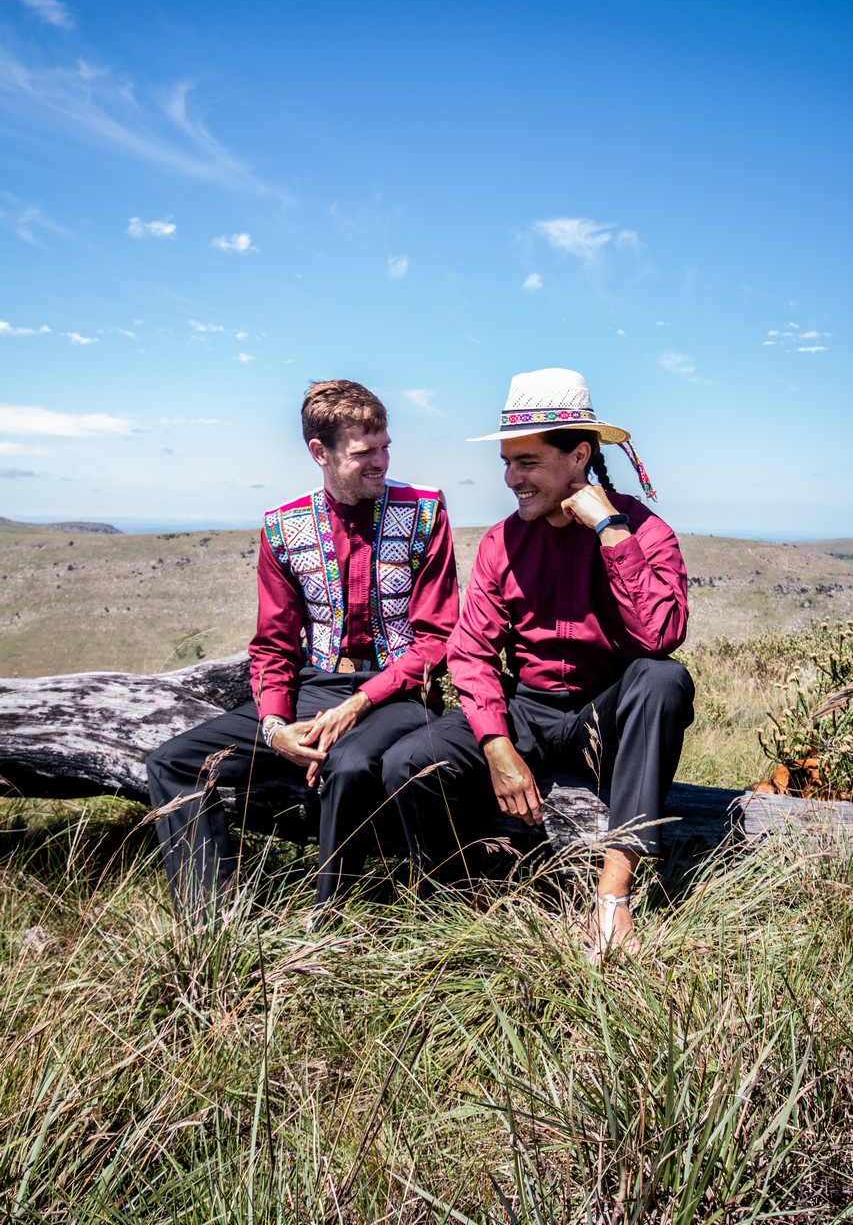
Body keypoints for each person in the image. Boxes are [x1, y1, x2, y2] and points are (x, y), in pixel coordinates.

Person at [383, 367, 694, 962]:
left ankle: (612, 899)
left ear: (579, 456)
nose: (511, 479)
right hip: (528, 709)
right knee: (407, 762)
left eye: (527, 463)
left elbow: (659, 636)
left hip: (607, 716)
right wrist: (498, 746)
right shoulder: (502, 541)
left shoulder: (644, 530)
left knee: (662, 679)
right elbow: (470, 651)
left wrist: (610, 530)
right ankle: (462, 905)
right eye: (507, 463)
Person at [147, 379, 459, 913]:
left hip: (399, 693)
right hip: (315, 687)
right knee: (172, 762)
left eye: (385, 446)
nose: (381, 461)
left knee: (349, 763)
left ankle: (332, 919)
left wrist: (357, 706)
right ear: (320, 452)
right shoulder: (283, 526)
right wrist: (276, 728)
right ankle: (209, 921)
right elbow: (273, 645)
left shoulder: (425, 512)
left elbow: (437, 639)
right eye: (364, 452)